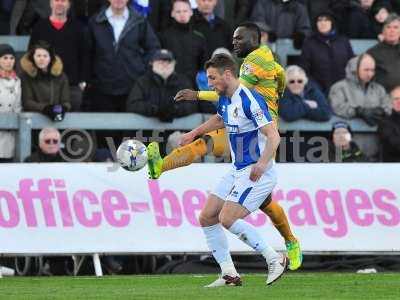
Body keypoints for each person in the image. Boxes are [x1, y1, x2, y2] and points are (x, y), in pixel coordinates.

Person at [147, 22, 303, 271]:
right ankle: (159, 166)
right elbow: (280, 76)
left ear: (255, 38)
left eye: (238, 39)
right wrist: (278, 92)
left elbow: (231, 90)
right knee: (203, 143)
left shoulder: (254, 61)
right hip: (239, 122)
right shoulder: (263, 61)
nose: (234, 43)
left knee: (266, 204)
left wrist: (197, 95)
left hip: (258, 131)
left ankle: (290, 242)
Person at [163, 53, 287, 287]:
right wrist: (193, 134)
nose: (209, 84)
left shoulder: (250, 99)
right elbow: (221, 119)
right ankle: (229, 273)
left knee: (227, 218)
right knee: (207, 216)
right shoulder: (225, 97)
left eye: (212, 78)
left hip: (257, 171)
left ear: (228, 74)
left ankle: (275, 258)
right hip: (238, 169)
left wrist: (262, 164)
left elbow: (273, 136)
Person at [29, 0, 88, 111]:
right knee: (47, 126)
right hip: (44, 86)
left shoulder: (79, 28)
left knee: (73, 126)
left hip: (72, 87)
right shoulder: (39, 27)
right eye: (56, 0)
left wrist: (83, 82)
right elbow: (31, 55)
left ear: (69, 4)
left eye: (63, 1)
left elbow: (85, 56)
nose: (59, 3)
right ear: (51, 3)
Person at [126, 49, 207, 122]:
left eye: (168, 62)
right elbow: (133, 104)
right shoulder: (142, 82)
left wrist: (175, 109)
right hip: (147, 133)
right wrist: (155, 110)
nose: (165, 64)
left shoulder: (183, 82)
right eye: (160, 62)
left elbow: (193, 105)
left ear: (174, 63)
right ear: (151, 63)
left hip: (178, 132)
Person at [300, 11, 354, 95]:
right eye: (320, 20)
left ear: (332, 22)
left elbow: (352, 64)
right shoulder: (309, 43)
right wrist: (313, 88)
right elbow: (304, 69)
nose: (323, 23)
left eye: (326, 20)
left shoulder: (343, 41)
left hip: (343, 90)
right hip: (317, 90)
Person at [330, 54, 391, 126]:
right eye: (366, 70)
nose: (370, 74)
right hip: (351, 130)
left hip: (377, 132)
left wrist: (382, 111)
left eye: (372, 70)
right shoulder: (339, 87)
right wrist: (357, 111)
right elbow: (337, 106)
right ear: (355, 69)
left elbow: (388, 105)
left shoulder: (379, 89)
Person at [159, 0, 207, 86]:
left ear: (191, 12)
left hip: (193, 88)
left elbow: (203, 67)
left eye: (185, 11)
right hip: (169, 87)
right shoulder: (164, 37)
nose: (182, 14)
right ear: (172, 13)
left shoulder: (199, 38)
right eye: (178, 11)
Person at [21, 40, 71, 121]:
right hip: (33, 120)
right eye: (38, 56)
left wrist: (62, 109)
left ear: (50, 58)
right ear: (32, 57)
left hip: (56, 120)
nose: (42, 59)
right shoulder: (26, 76)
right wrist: (46, 108)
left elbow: (66, 101)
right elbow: (27, 101)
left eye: (45, 56)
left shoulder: (61, 76)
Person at [367, 13, 400, 93]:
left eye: (396, 27)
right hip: (384, 98)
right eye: (388, 27)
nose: (392, 30)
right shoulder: (372, 53)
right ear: (383, 31)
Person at [0, 44, 21, 163]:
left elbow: (18, 106)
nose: (9, 61)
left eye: (12, 58)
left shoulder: (17, 81)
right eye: (5, 58)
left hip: (10, 133)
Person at [378, 86, 400, 162]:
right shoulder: (385, 122)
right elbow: (395, 145)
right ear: (391, 102)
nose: (399, 102)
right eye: (396, 99)